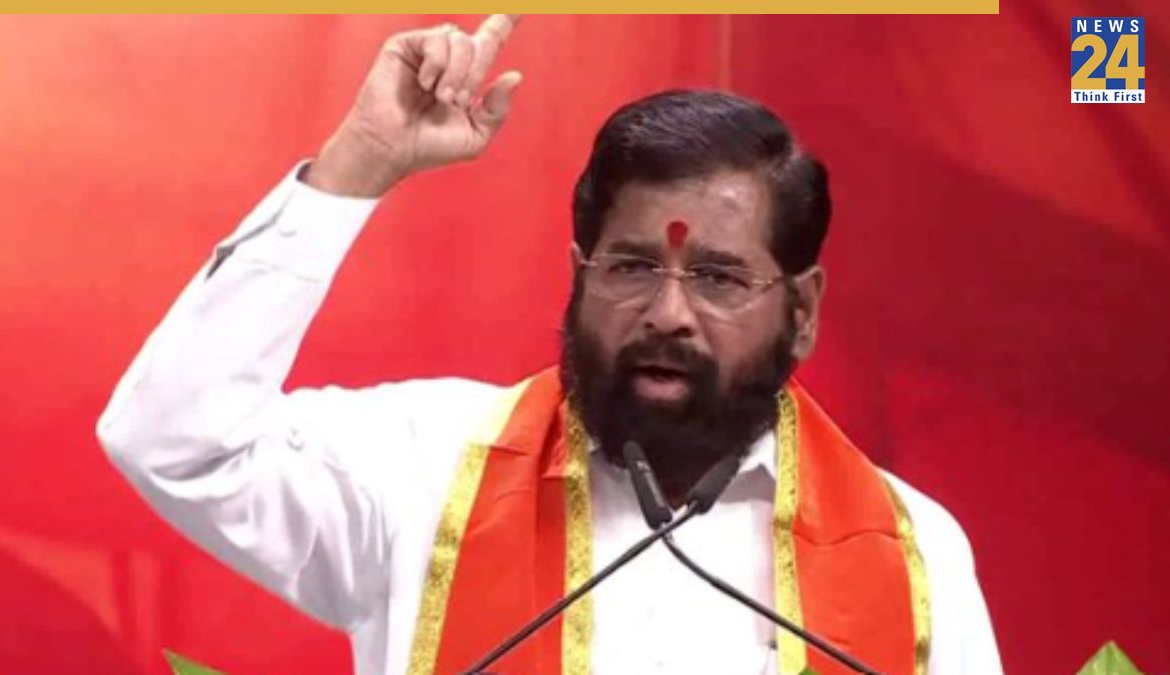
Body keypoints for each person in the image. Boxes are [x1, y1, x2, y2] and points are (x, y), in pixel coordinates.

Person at [97, 14, 1002, 675]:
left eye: (718, 278)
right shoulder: (424, 470)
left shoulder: (912, 549)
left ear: (801, 310)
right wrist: (359, 161)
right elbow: (173, 440)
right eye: (631, 267)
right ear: (578, 275)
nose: (668, 313)